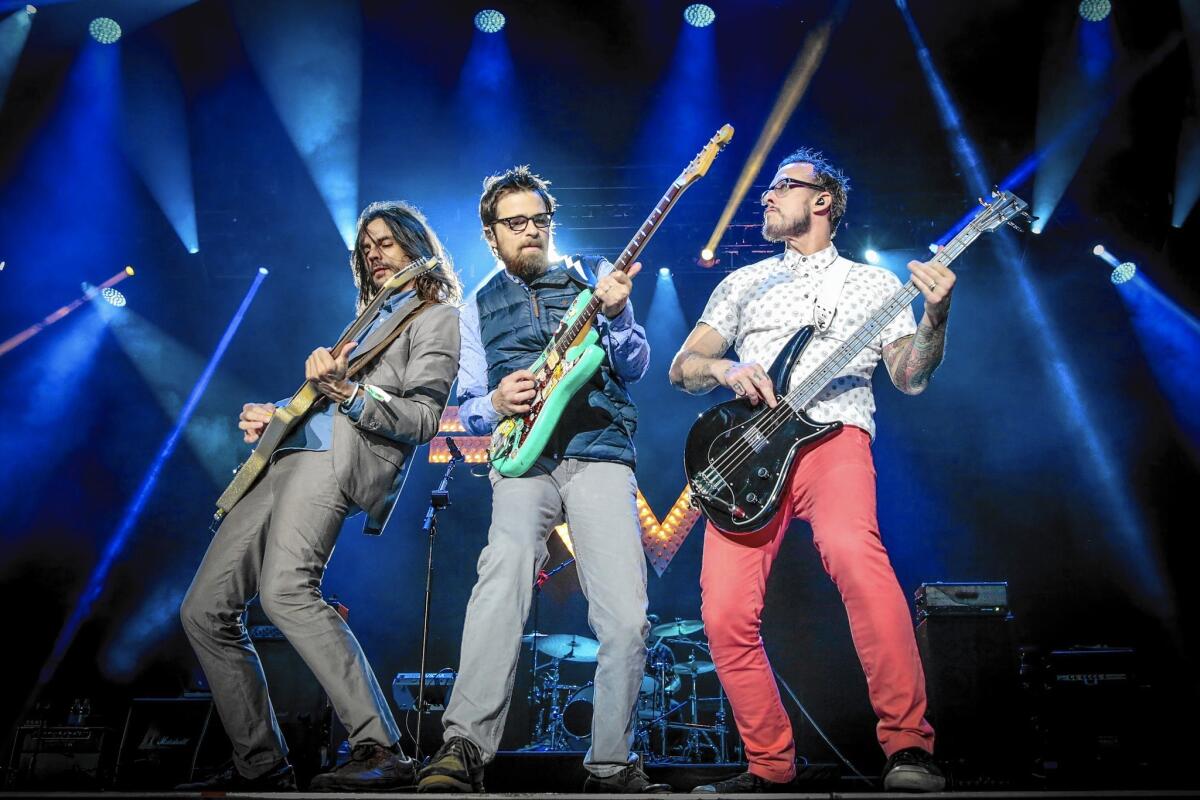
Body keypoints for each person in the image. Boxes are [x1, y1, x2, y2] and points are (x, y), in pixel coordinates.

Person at [668, 148, 950, 793]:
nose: (765, 197)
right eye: (767, 189)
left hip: (833, 438)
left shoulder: (876, 286)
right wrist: (725, 368)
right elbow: (682, 367)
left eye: (781, 187)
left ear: (822, 200)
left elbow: (909, 377)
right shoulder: (742, 283)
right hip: (749, 455)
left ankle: (909, 748)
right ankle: (770, 765)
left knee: (855, 556)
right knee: (724, 614)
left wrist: (936, 317)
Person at [179, 201, 462, 792]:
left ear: (414, 246)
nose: (375, 253)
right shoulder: (367, 317)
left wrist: (351, 393)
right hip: (288, 456)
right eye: (367, 247)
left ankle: (380, 748)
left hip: (336, 457)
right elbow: (322, 396)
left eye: (386, 242)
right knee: (204, 610)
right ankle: (260, 763)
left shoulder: (436, 315)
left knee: (285, 593)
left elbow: (423, 416)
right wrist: (275, 412)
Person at [416, 166, 668, 794]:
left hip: (599, 451)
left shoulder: (592, 274)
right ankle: (464, 748)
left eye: (539, 221)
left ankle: (611, 763)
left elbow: (635, 364)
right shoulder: (473, 306)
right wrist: (496, 401)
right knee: (500, 582)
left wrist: (617, 314)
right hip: (524, 462)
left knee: (627, 616)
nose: (530, 232)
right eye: (515, 224)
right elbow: (469, 401)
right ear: (490, 234)